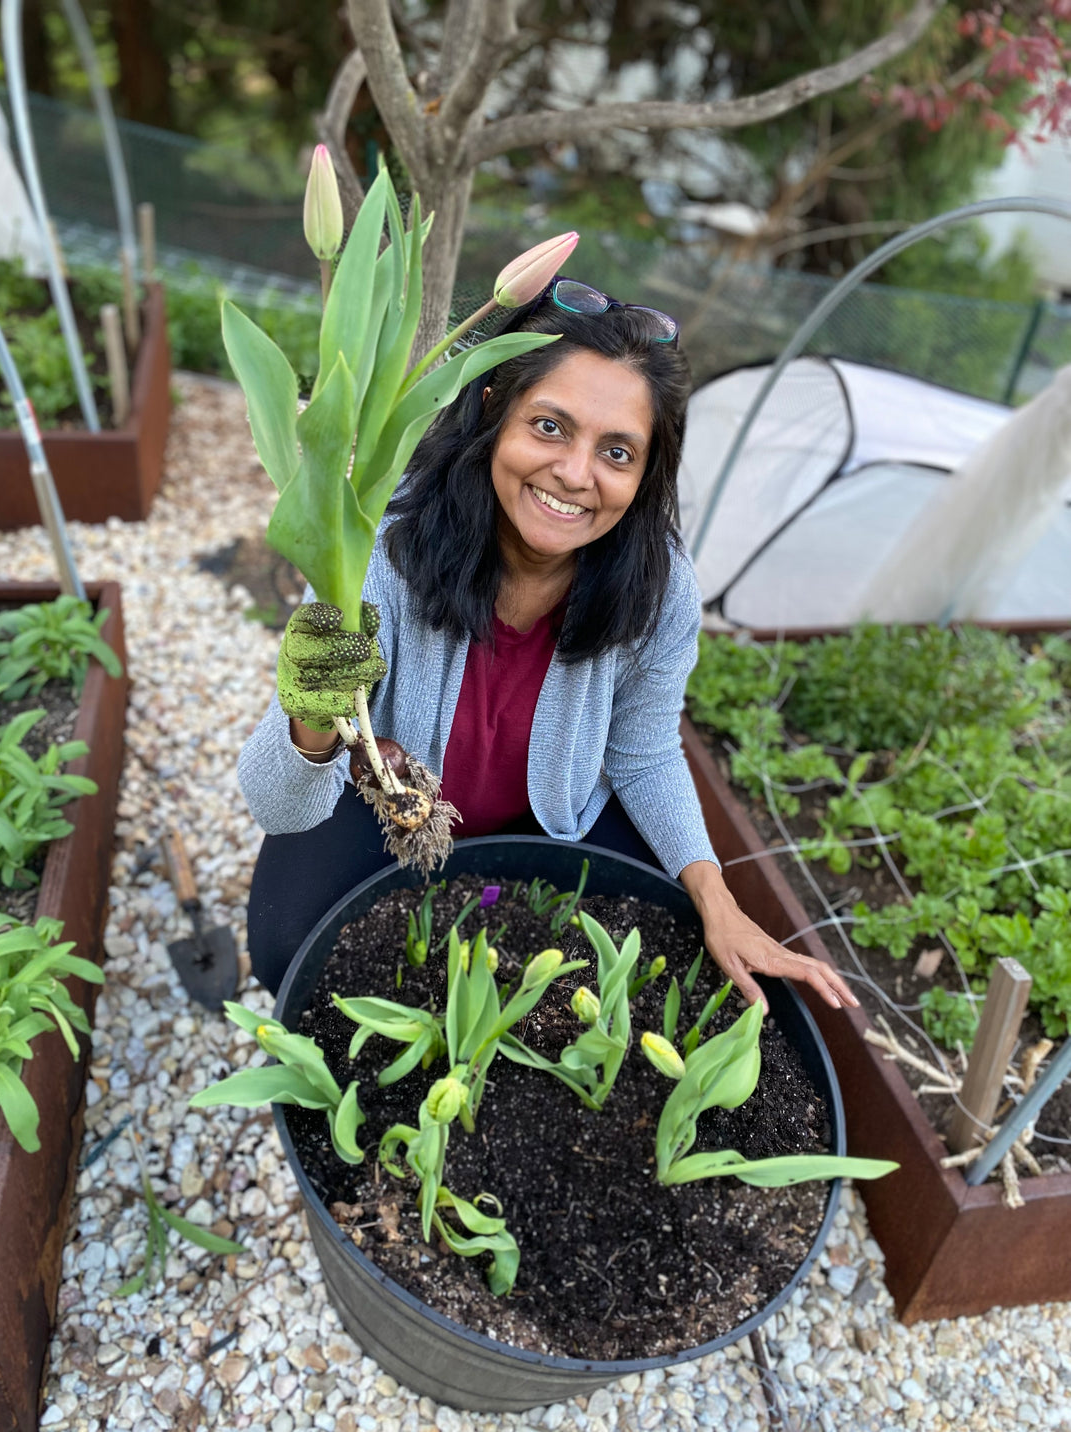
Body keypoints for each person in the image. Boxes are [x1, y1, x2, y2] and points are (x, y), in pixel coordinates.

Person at [239, 277, 858, 1016]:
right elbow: (274, 803)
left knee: (654, 963)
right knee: (286, 947)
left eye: (617, 452)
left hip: (549, 814)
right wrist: (312, 717)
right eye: (550, 426)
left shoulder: (658, 587)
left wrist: (716, 897)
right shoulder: (382, 545)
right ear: (493, 408)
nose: (575, 474)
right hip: (393, 807)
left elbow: (644, 751)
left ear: (646, 473)